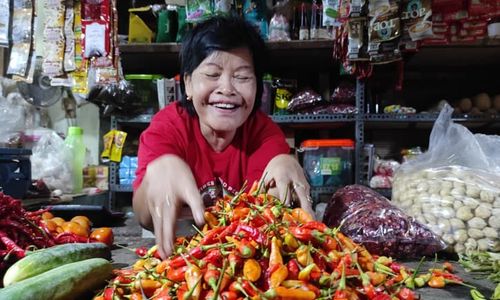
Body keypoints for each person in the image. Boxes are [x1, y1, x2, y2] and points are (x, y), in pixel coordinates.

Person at [132, 15, 314, 258]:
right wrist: (154, 178)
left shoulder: (263, 134)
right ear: (187, 83)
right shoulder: (168, 128)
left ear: (258, 88)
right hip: (183, 260)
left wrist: (284, 166)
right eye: (212, 74)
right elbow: (144, 216)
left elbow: (268, 217)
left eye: (242, 77)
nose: (227, 89)